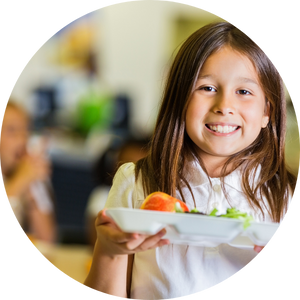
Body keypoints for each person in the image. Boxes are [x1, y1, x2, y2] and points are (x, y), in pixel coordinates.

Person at [83, 22, 298, 299]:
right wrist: (110, 250)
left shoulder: (286, 199)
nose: (224, 106)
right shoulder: (136, 182)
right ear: (180, 100)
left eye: (244, 92)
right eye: (207, 87)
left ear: (267, 111)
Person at [1, 100, 57, 244]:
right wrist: (20, 182)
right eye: (12, 130)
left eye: (26, 130)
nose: (22, 138)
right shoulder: (21, 176)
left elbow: (48, 239)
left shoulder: (25, 171)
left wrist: (32, 185)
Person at [85, 137, 149, 247]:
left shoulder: (151, 197)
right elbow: (97, 240)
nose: (131, 175)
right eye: (126, 166)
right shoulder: (102, 195)